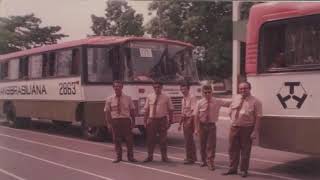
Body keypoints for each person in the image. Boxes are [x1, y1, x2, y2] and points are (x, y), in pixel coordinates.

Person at [222, 81, 262, 178]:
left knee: (245, 150)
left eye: (245, 88)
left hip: (247, 129)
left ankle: (244, 170)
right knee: (232, 149)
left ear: (249, 89)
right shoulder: (236, 99)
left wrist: (255, 131)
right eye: (241, 88)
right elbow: (230, 110)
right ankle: (232, 169)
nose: (243, 90)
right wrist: (232, 121)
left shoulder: (256, 101)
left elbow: (258, 118)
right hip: (234, 127)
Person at [194, 84, 231, 171]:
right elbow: (196, 116)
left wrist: (240, 98)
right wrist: (196, 128)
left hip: (211, 126)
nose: (207, 94)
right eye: (205, 92)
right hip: (202, 125)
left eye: (209, 92)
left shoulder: (217, 101)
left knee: (211, 145)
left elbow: (229, 103)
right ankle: (203, 161)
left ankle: (210, 161)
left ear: (212, 92)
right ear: (202, 93)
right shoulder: (199, 102)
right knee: (202, 144)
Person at [104, 80, 137, 163]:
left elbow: (132, 111)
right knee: (116, 140)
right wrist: (108, 123)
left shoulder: (128, 98)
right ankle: (119, 157)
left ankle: (131, 157)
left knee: (129, 140)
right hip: (115, 121)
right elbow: (107, 112)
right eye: (115, 86)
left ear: (122, 87)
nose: (117, 88)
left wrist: (133, 122)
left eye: (119, 86)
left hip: (125, 120)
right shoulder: (109, 99)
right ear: (113, 88)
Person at [143, 81, 174, 162]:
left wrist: (170, 121)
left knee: (163, 140)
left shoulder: (166, 97)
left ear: (161, 87)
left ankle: (164, 157)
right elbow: (146, 109)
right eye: (155, 87)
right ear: (153, 87)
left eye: (158, 87)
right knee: (150, 139)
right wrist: (145, 120)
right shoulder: (149, 96)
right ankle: (150, 156)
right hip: (152, 120)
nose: (157, 89)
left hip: (162, 120)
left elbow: (171, 110)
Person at [178, 82, 197, 164]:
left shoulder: (192, 97)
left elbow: (193, 111)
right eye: (181, 89)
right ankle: (192, 157)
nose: (183, 91)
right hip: (185, 119)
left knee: (188, 140)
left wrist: (190, 122)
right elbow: (183, 112)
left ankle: (190, 158)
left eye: (184, 89)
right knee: (188, 140)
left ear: (188, 89)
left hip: (190, 119)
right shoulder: (183, 99)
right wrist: (180, 123)